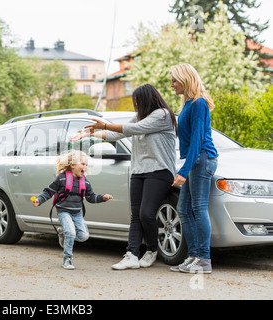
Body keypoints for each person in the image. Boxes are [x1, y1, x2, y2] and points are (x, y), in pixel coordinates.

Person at [71, 84, 177, 270]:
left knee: (146, 213)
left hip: (160, 170)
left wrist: (103, 124)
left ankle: (152, 249)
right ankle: (132, 255)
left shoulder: (163, 115)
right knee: (135, 215)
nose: (136, 105)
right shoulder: (139, 117)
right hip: (138, 170)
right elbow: (117, 133)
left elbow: (133, 129)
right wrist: (92, 133)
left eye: (138, 101)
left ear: (147, 100)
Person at [169, 63, 218, 274]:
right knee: (183, 209)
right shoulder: (188, 103)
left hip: (203, 159)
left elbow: (198, 139)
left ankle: (204, 259)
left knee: (198, 208)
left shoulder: (199, 104)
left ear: (185, 79)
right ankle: (194, 256)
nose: (172, 85)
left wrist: (183, 169)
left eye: (174, 80)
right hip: (195, 159)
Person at [32, 150, 113, 270]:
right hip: (63, 211)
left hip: (77, 213)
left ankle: (63, 234)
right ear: (73, 165)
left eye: (86, 164)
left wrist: (103, 198)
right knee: (71, 233)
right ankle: (67, 259)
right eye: (82, 164)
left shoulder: (85, 182)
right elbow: (49, 191)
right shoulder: (61, 178)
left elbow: (91, 197)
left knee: (83, 236)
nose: (85, 167)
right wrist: (39, 199)